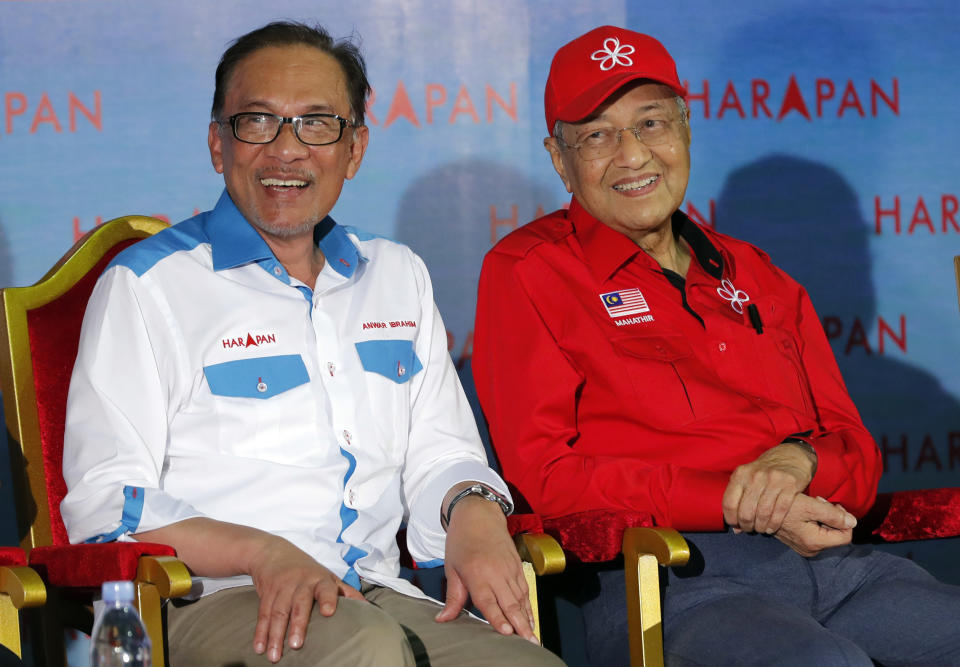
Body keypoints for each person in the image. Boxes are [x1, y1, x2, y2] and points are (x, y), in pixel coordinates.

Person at [60, 21, 563, 667]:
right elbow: (106, 505)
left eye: (317, 123)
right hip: (215, 598)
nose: (286, 150)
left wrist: (472, 506)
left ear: (354, 149)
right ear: (218, 144)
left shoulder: (396, 274)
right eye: (258, 122)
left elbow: (441, 450)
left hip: (378, 591)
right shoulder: (148, 286)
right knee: (365, 649)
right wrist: (261, 551)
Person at [472, 25, 960, 666]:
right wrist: (736, 499)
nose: (632, 154)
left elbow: (856, 451)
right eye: (597, 134)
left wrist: (798, 465)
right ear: (559, 159)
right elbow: (548, 479)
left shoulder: (759, 273)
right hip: (673, 578)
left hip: (839, 567)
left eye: (651, 123)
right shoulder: (529, 270)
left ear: (685, 130)